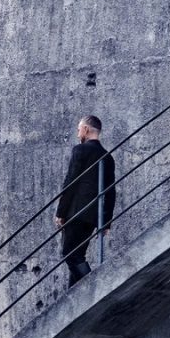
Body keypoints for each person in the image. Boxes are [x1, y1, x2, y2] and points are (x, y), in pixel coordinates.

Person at [52, 115, 116, 285]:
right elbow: (111, 192)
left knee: (69, 253)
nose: (78, 133)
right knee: (78, 255)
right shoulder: (107, 157)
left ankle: (93, 285)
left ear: (86, 130)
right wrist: (106, 221)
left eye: (79, 129)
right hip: (93, 216)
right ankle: (74, 293)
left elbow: (70, 182)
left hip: (76, 212)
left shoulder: (80, 151)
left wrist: (60, 212)